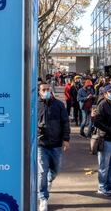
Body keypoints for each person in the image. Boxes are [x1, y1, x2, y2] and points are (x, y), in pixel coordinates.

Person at [37, 82, 70, 211]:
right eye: (43, 89)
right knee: (42, 172)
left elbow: (65, 123)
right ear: (39, 91)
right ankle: (43, 198)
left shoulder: (59, 105)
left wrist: (66, 139)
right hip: (42, 144)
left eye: (48, 89)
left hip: (56, 144)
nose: (46, 91)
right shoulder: (34, 104)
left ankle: (50, 180)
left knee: (55, 170)